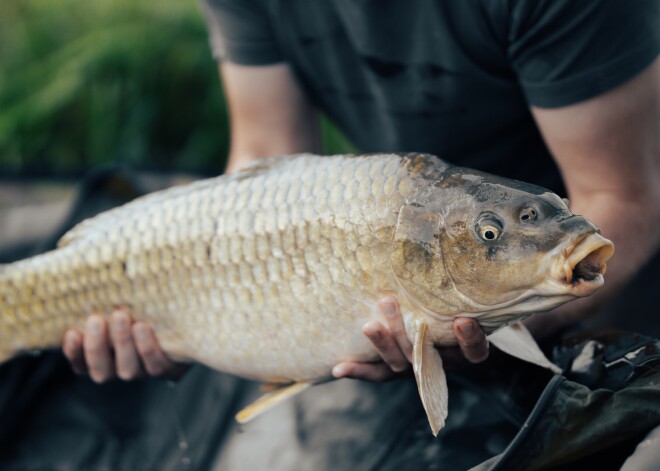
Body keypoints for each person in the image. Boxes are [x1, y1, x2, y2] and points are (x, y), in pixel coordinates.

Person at [60, 0, 659, 468]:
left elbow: (625, 197)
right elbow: (267, 156)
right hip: (408, 248)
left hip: (602, 280)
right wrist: (188, 317)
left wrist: (496, 322)